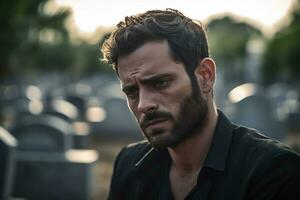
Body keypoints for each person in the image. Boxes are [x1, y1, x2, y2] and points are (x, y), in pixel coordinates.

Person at [101, 8, 300, 200]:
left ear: (205, 76)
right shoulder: (128, 164)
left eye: (160, 83)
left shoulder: (273, 172)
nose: (144, 105)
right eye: (132, 92)